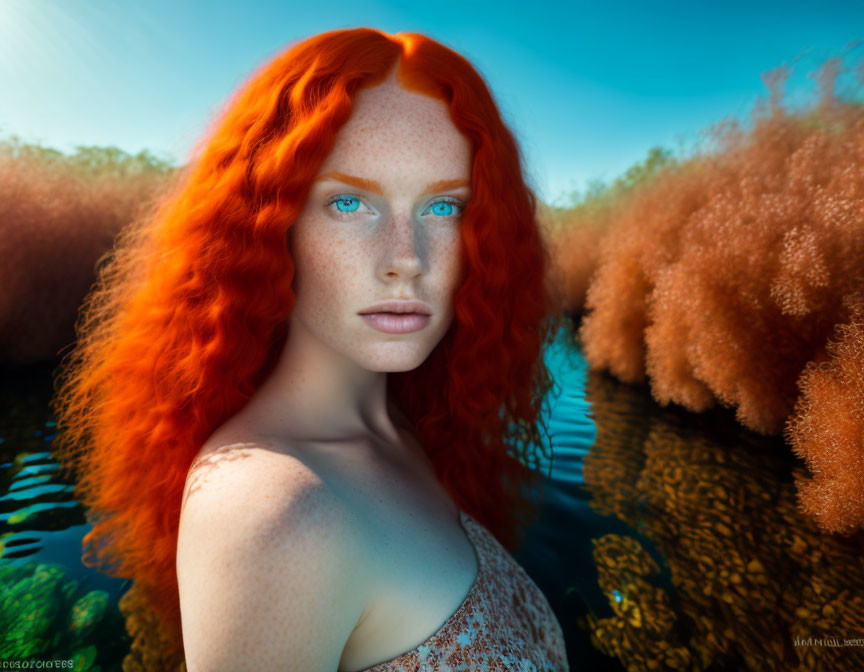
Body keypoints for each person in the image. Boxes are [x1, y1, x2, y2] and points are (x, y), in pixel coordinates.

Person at [51, 27, 568, 671]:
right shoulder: (274, 514)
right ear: (270, 225)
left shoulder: (406, 430)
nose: (407, 260)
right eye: (349, 202)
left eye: (445, 207)